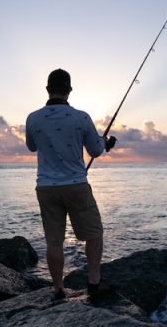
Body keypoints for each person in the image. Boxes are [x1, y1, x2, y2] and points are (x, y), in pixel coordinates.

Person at [25, 69, 115, 302]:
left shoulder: (33, 118)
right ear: (70, 90)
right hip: (76, 185)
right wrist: (106, 143)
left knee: (54, 241)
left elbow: (32, 147)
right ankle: (94, 281)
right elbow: (96, 150)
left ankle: (58, 290)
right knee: (94, 233)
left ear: (47, 89)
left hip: (46, 187)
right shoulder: (81, 117)